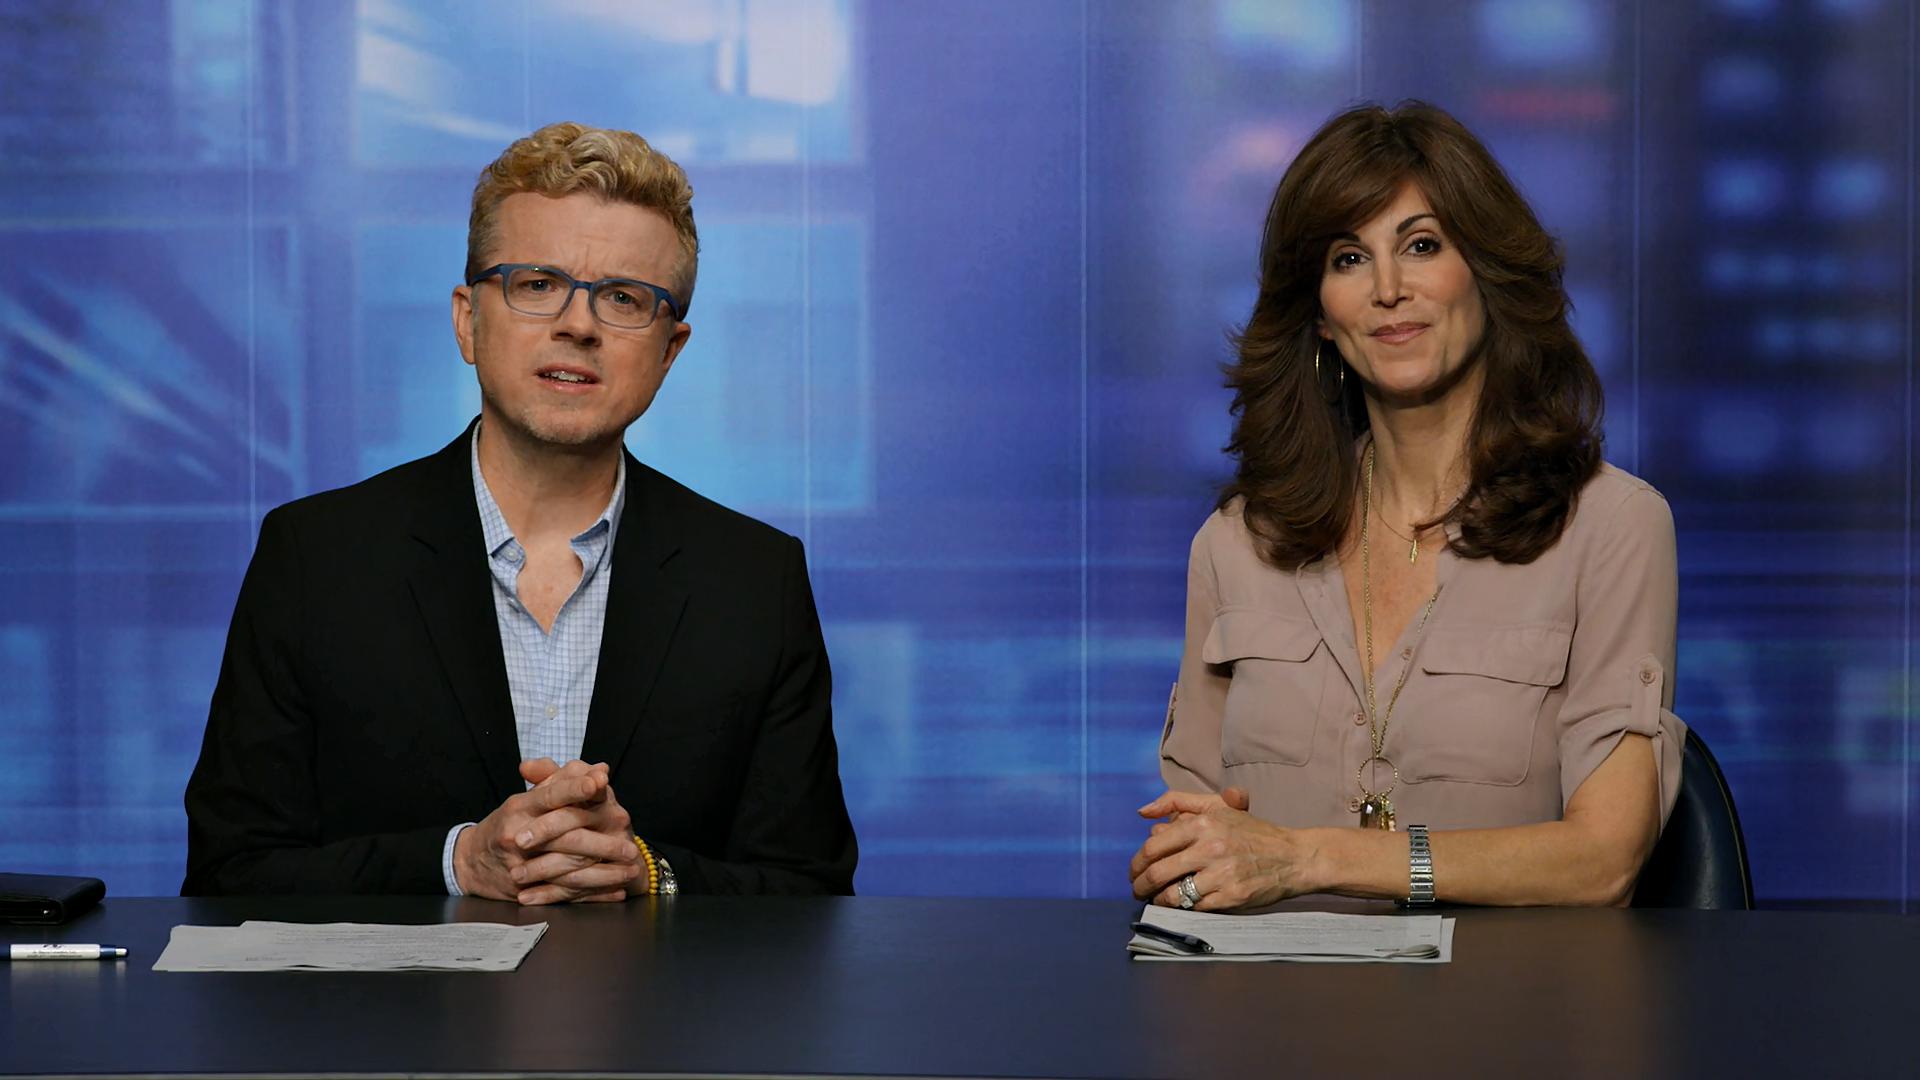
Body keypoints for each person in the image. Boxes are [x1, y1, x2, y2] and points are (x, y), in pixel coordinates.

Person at [184, 122, 857, 901]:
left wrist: (649, 875)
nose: (578, 324)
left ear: (669, 352)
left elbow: (811, 894)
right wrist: (457, 863)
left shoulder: (755, 581)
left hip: (667, 1023)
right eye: (538, 284)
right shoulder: (315, 557)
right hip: (389, 1026)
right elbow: (228, 875)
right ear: (469, 319)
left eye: (623, 298)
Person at [1130, 101, 1685, 910]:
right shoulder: (1235, 542)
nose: (1389, 289)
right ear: (1319, 313)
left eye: (1422, 246)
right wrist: (1178, 871)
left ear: (1487, 273)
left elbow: (1602, 862)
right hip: (1266, 1018)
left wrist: (1312, 858)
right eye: (1349, 259)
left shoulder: (1612, 527)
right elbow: (1194, 841)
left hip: (1505, 1020)